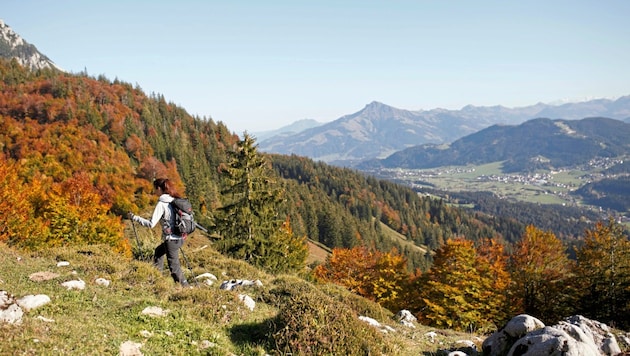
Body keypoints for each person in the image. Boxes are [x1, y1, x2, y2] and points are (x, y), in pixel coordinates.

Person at [129, 178, 190, 288]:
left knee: (174, 268)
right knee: (159, 251)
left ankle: (186, 289)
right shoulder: (174, 200)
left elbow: (151, 224)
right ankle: (157, 278)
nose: (154, 192)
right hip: (180, 237)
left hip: (171, 240)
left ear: (159, 188)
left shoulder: (162, 203)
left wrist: (135, 218)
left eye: (155, 189)